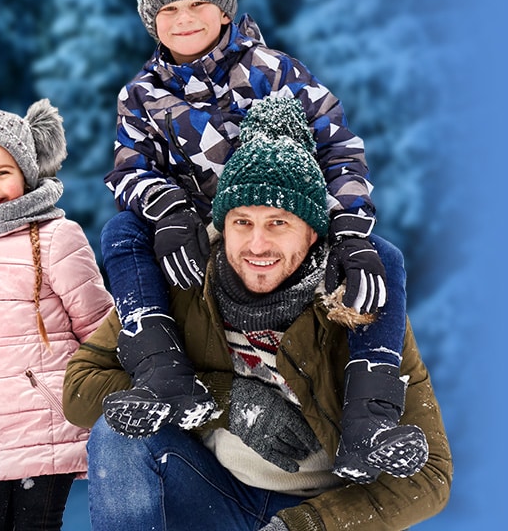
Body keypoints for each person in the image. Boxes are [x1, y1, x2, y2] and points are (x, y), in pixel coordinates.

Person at [99, 0, 424, 483]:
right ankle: (162, 370)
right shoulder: (141, 95)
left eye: (197, 3)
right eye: (169, 9)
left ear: (224, 9)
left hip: (281, 217)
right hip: (200, 225)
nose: (184, 18)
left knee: (383, 257)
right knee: (119, 232)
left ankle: (369, 421)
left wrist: (348, 229)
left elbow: (339, 149)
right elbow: (129, 168)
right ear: (151, 21)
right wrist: (169, 211)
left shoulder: (274, 71)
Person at [62, 98, 451, 530]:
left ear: (312, 231)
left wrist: (301, 526)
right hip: (215, 494)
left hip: (323, 507)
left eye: (278, 223)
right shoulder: (185, 281)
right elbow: (80, 388)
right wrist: (228, 402)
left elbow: (430, 476)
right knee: (116, 435)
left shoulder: (356, 301)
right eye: (242, 222)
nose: (257, 245)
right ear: (222, 224)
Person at [0, 99, 114, 530]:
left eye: (3, 172)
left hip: (46, 424)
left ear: (27, 173)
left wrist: (102, 399)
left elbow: (99, 328)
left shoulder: (56, 237)